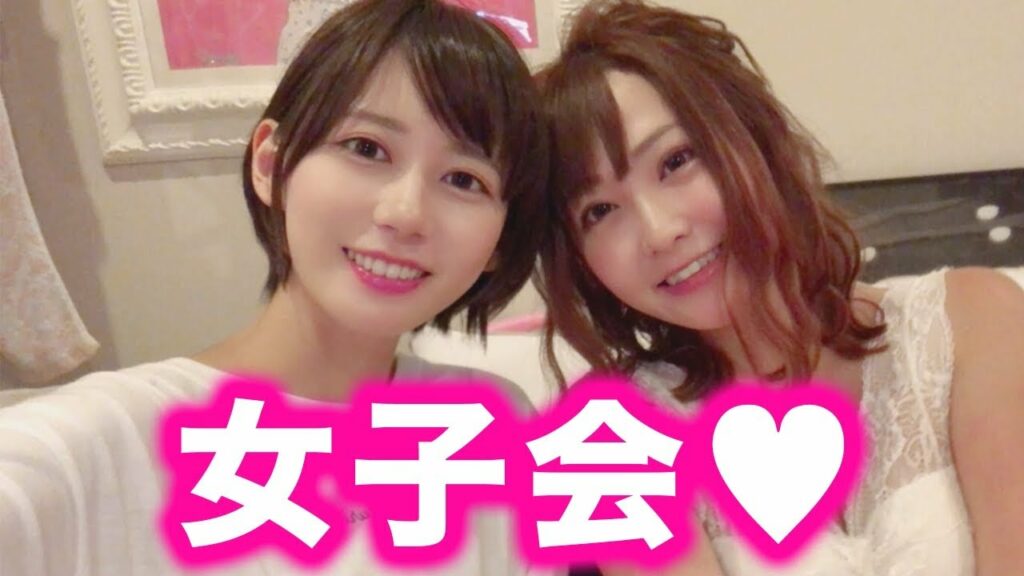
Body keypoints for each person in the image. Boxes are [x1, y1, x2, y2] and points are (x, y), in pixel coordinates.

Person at [0, 0, 551, 574]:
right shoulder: (95, 446)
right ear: (271, 164)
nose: (405, 213)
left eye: (464, 179)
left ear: (501, 239)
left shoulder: (493, 422)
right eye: (366, 148)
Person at [534, 1, 1024, 574]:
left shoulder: (972, 322)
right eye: (598, 211)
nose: (659, 231)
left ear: (755, 138)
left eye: (676, 161)